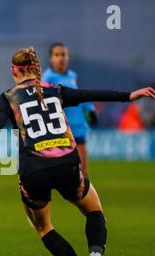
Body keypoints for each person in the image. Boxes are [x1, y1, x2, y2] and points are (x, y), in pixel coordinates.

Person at [0, 47, 155, 256]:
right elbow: (90, 94)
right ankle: (96, 255)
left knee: (44, 228)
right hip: (67, 165)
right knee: (94, 211)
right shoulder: (55, 90)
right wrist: (129, 95)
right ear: (36, 69)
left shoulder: (8, 97)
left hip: (34, 172)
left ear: (14, 71)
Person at [42, 43, 96, 175]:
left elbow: (77, 95)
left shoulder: (72, 76)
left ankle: (82, 195)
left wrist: (90, 109)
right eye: (57, 55)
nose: (61, 58)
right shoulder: (47, 78)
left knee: (84, 171)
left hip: (78, 127)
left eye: (63, 54)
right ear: (51, 58)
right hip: (62, 130)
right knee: (65, 173)